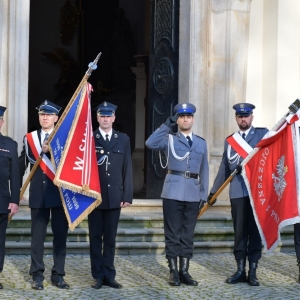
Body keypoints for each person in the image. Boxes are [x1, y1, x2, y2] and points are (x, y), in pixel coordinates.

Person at [145, 103, 209, 287]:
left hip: (193, 193)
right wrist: (167, 125)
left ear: (193, 119)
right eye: (181, 117)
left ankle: (184, 271)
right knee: (172, 234)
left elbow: (204, 169)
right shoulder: (169, 139)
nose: (185, 119)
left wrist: (203, 195)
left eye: (188, 116)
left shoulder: (201, 142)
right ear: (178, 120)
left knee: (188, 234)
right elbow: (150, 143)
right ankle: (173, 272)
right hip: (172, 192)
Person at [209, 103, 268, 286]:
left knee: (255, 232)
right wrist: (213, 192)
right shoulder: (230, 141)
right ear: (236, 118)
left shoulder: (262, 134)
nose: (243, 119)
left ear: (252, 117)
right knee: (240, 232)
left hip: (257, 192)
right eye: (240, 116)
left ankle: (253, 271)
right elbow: (224, 169)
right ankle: (240, 269)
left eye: (246, 116)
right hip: (237, 192)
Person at [19, 100, 69, 290]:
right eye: (42, 114)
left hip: (58, 195)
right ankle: (37, 274)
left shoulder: (64, 138)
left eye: (48, 115)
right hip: (38, 194)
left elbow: (70, 165)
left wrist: (53, 152)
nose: (45, 117)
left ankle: (58, 274)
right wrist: (17, 188)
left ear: (56, 118)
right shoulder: (30, 138)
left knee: (60, 237)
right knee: (37, 238)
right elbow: (21, 163)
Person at [89, 101, 133, 290]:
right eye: (102, 116)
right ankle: (97, 275)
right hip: (94, 197)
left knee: (110, 239)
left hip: (115, 196)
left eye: (108, 116)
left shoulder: (123, 139)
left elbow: (127, 168)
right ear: (97, 118)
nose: (105, 119)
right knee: (95, 238)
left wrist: (127, 195)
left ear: (114, 118)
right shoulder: (90, 138)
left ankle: (109, 274)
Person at [0, 106, 19, 289]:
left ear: (2, 122)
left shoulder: (10, 145)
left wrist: (14, 200)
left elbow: (15, 175)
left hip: (1, 202)